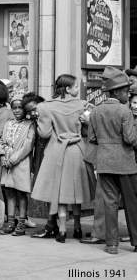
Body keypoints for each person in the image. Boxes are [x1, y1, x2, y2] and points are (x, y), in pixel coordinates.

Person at [31, 74, 93, 242]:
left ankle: (63, 230)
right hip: (77, 150)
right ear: (67, 88)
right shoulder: (82, 105)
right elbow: (88, 129)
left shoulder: (45, 107)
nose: (78, 89)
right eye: (75, 86)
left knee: (60, 192)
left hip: (57, 150)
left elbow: (44, 133)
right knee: (76, 190)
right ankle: (78, 227)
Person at [86, 67, 137, 254]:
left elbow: (92, 138)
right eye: (125, 91)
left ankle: (112, 244)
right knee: (132, 203)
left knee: (109, 203)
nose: (127, 94)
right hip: (126, 163)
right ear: (116, 92)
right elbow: (130, 139)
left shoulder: (96, 111)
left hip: (104, 162)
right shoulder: (124, 111)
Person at [0, 97, 35, 236]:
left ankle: (21, 223)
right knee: (9, 192)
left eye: (20, 107)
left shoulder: (30, 125)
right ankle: (11, 222)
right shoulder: (8, 123)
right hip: (7, 162)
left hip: (21, 163)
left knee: (21, 193)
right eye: (14, 108)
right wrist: (2, 155)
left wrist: (12, 160)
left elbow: (27, 146)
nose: (17, 110)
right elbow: (2, 141)